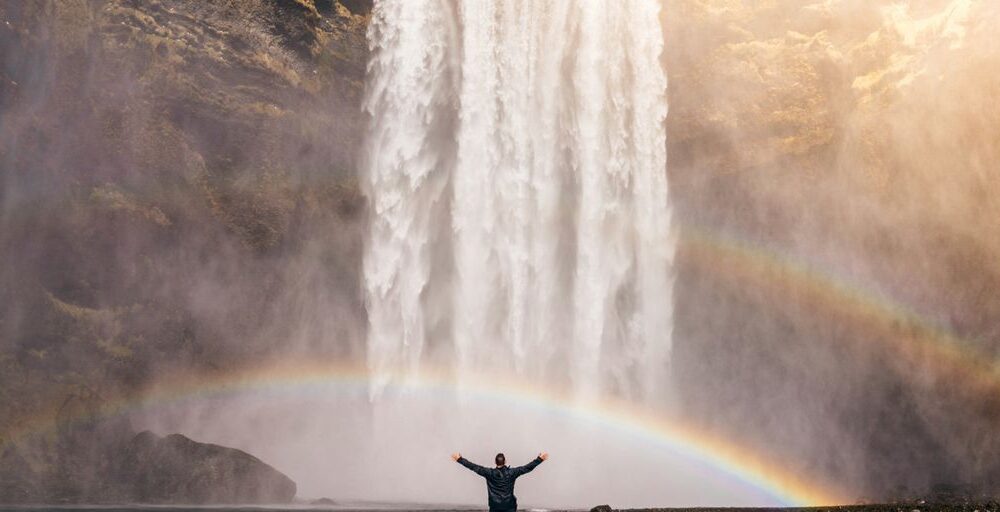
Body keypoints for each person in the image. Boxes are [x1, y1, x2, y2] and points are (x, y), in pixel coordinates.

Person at [451, 451, 548, 512]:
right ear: (505, 461)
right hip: (509, 506)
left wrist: (459, 459)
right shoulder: (512, 472)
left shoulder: (489, 473)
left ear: (495, 462)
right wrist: (539, 459)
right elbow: (527, 467)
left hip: (495, 506)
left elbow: (473, 467)